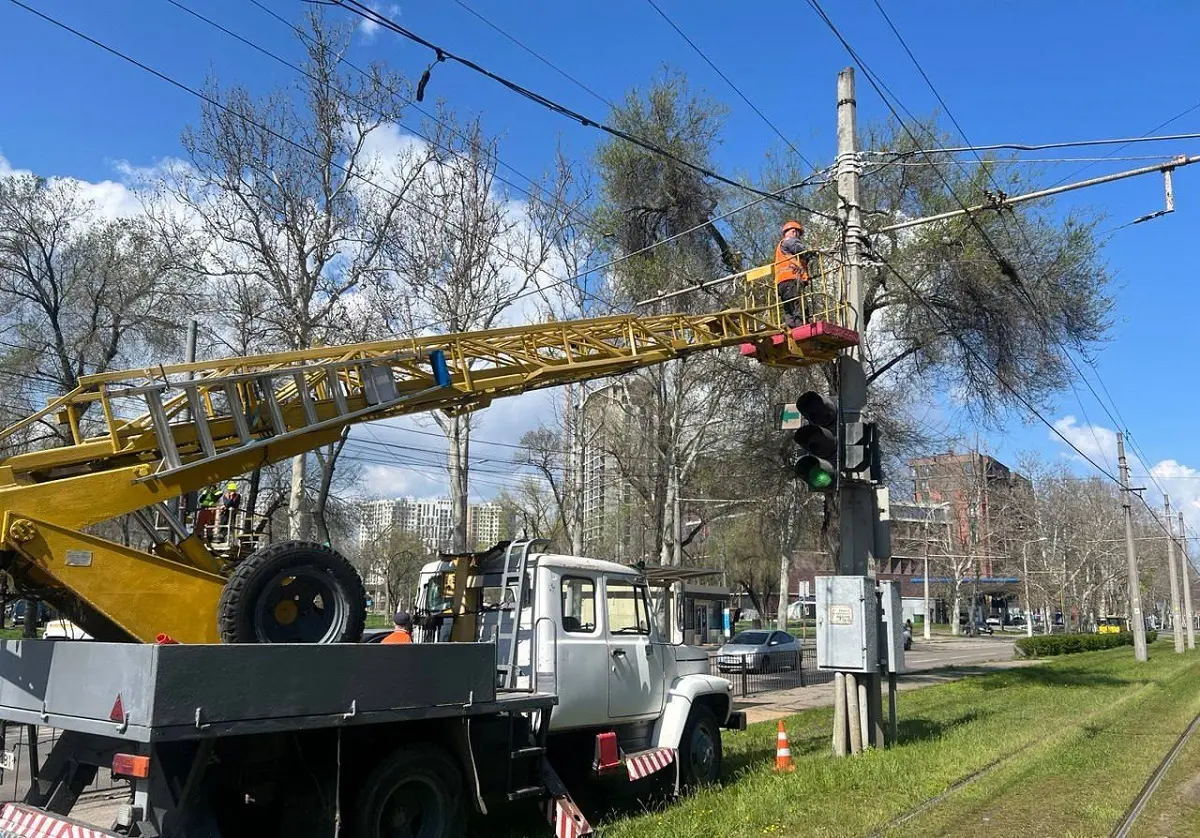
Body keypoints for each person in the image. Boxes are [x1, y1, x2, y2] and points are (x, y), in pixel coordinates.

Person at [774, 220, 810, 328]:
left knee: (789, 308)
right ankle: (801, 328)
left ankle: (791, 327)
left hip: (781, 283)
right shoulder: (789, 241)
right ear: (794, 232)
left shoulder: (781, 246)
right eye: (798, 234)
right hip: (791, 279)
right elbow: (800, 249)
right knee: (799, 306)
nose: (799, 237)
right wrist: (811, 253)